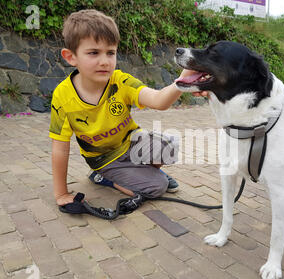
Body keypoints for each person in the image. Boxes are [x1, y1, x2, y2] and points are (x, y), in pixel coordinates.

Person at [49, 9, 205, 213]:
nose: (105, 61)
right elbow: (60, 148)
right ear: (71, 57)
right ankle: (103, 177)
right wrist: (61, 194)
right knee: (158, 187)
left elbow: (159, 101)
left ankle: (141, 174)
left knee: (170, 145)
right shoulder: (63, 96)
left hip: (131, 144)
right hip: (105, 159)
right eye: (94, 53)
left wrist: (184, 80)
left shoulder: (121, 81)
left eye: (110, 52)